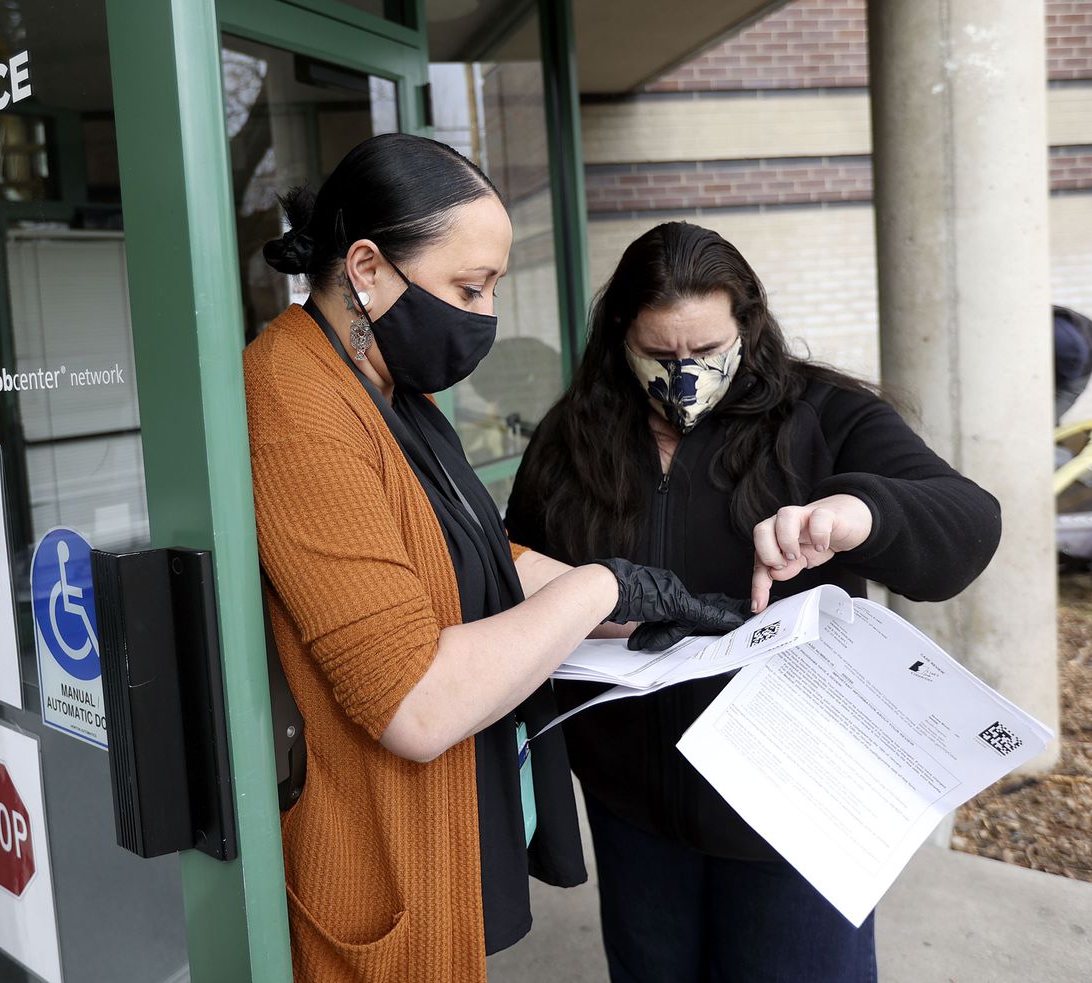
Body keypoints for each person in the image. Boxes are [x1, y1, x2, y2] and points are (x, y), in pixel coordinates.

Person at [244, 137, 746, 983]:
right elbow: (415, 701)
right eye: (467, 287)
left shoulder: (384, 384)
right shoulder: (296, 402)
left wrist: (634, 598)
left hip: (443, 833)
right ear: (366, 267)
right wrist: (600, 583)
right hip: (377, 855)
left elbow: (465, 550)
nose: (484, 313)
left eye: (494, 288)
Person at [505, 221, 1003, 983]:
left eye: (706, 352)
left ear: (749, 325)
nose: (684, 374)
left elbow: (967, 524)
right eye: (659, 354)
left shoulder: (823, 415)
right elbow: (519, 571)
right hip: (635, 810)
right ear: (618, 337)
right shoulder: (571, 438)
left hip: (799, 805)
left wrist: (856, 514)